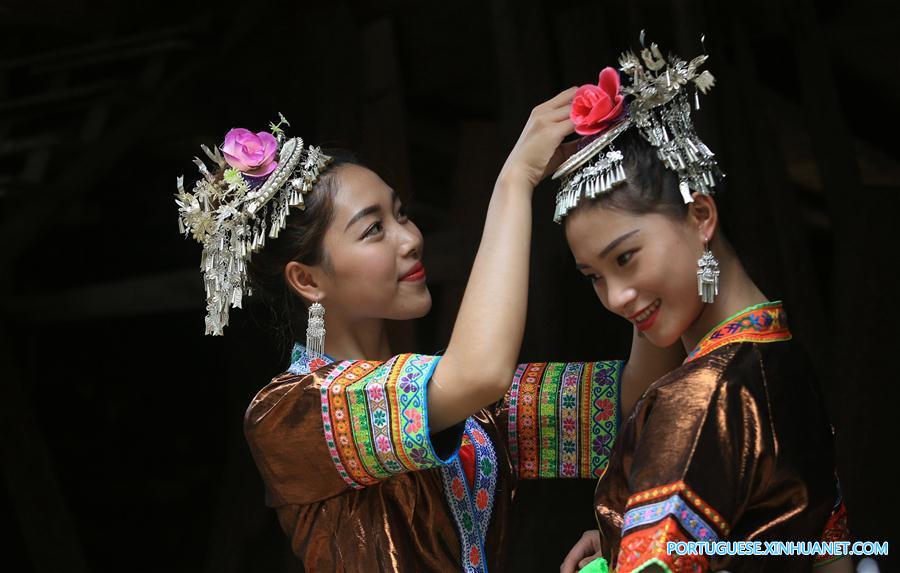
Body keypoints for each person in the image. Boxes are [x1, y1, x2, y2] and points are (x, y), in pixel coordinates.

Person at [174, 99, 685, 571]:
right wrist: (514, 181)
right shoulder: (290, 412)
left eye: (401, 214)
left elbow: (631, 403)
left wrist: (644, 260)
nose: (412, 238)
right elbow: (479, 373)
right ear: (308, 279)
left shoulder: (466, 407)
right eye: (374, 229)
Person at [550, 40, 851, 572]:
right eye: (594, 276)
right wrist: (623, 534)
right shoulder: (781, 355)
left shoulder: (700, 394)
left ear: (701, 215)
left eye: (626, 257)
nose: (616, 298)